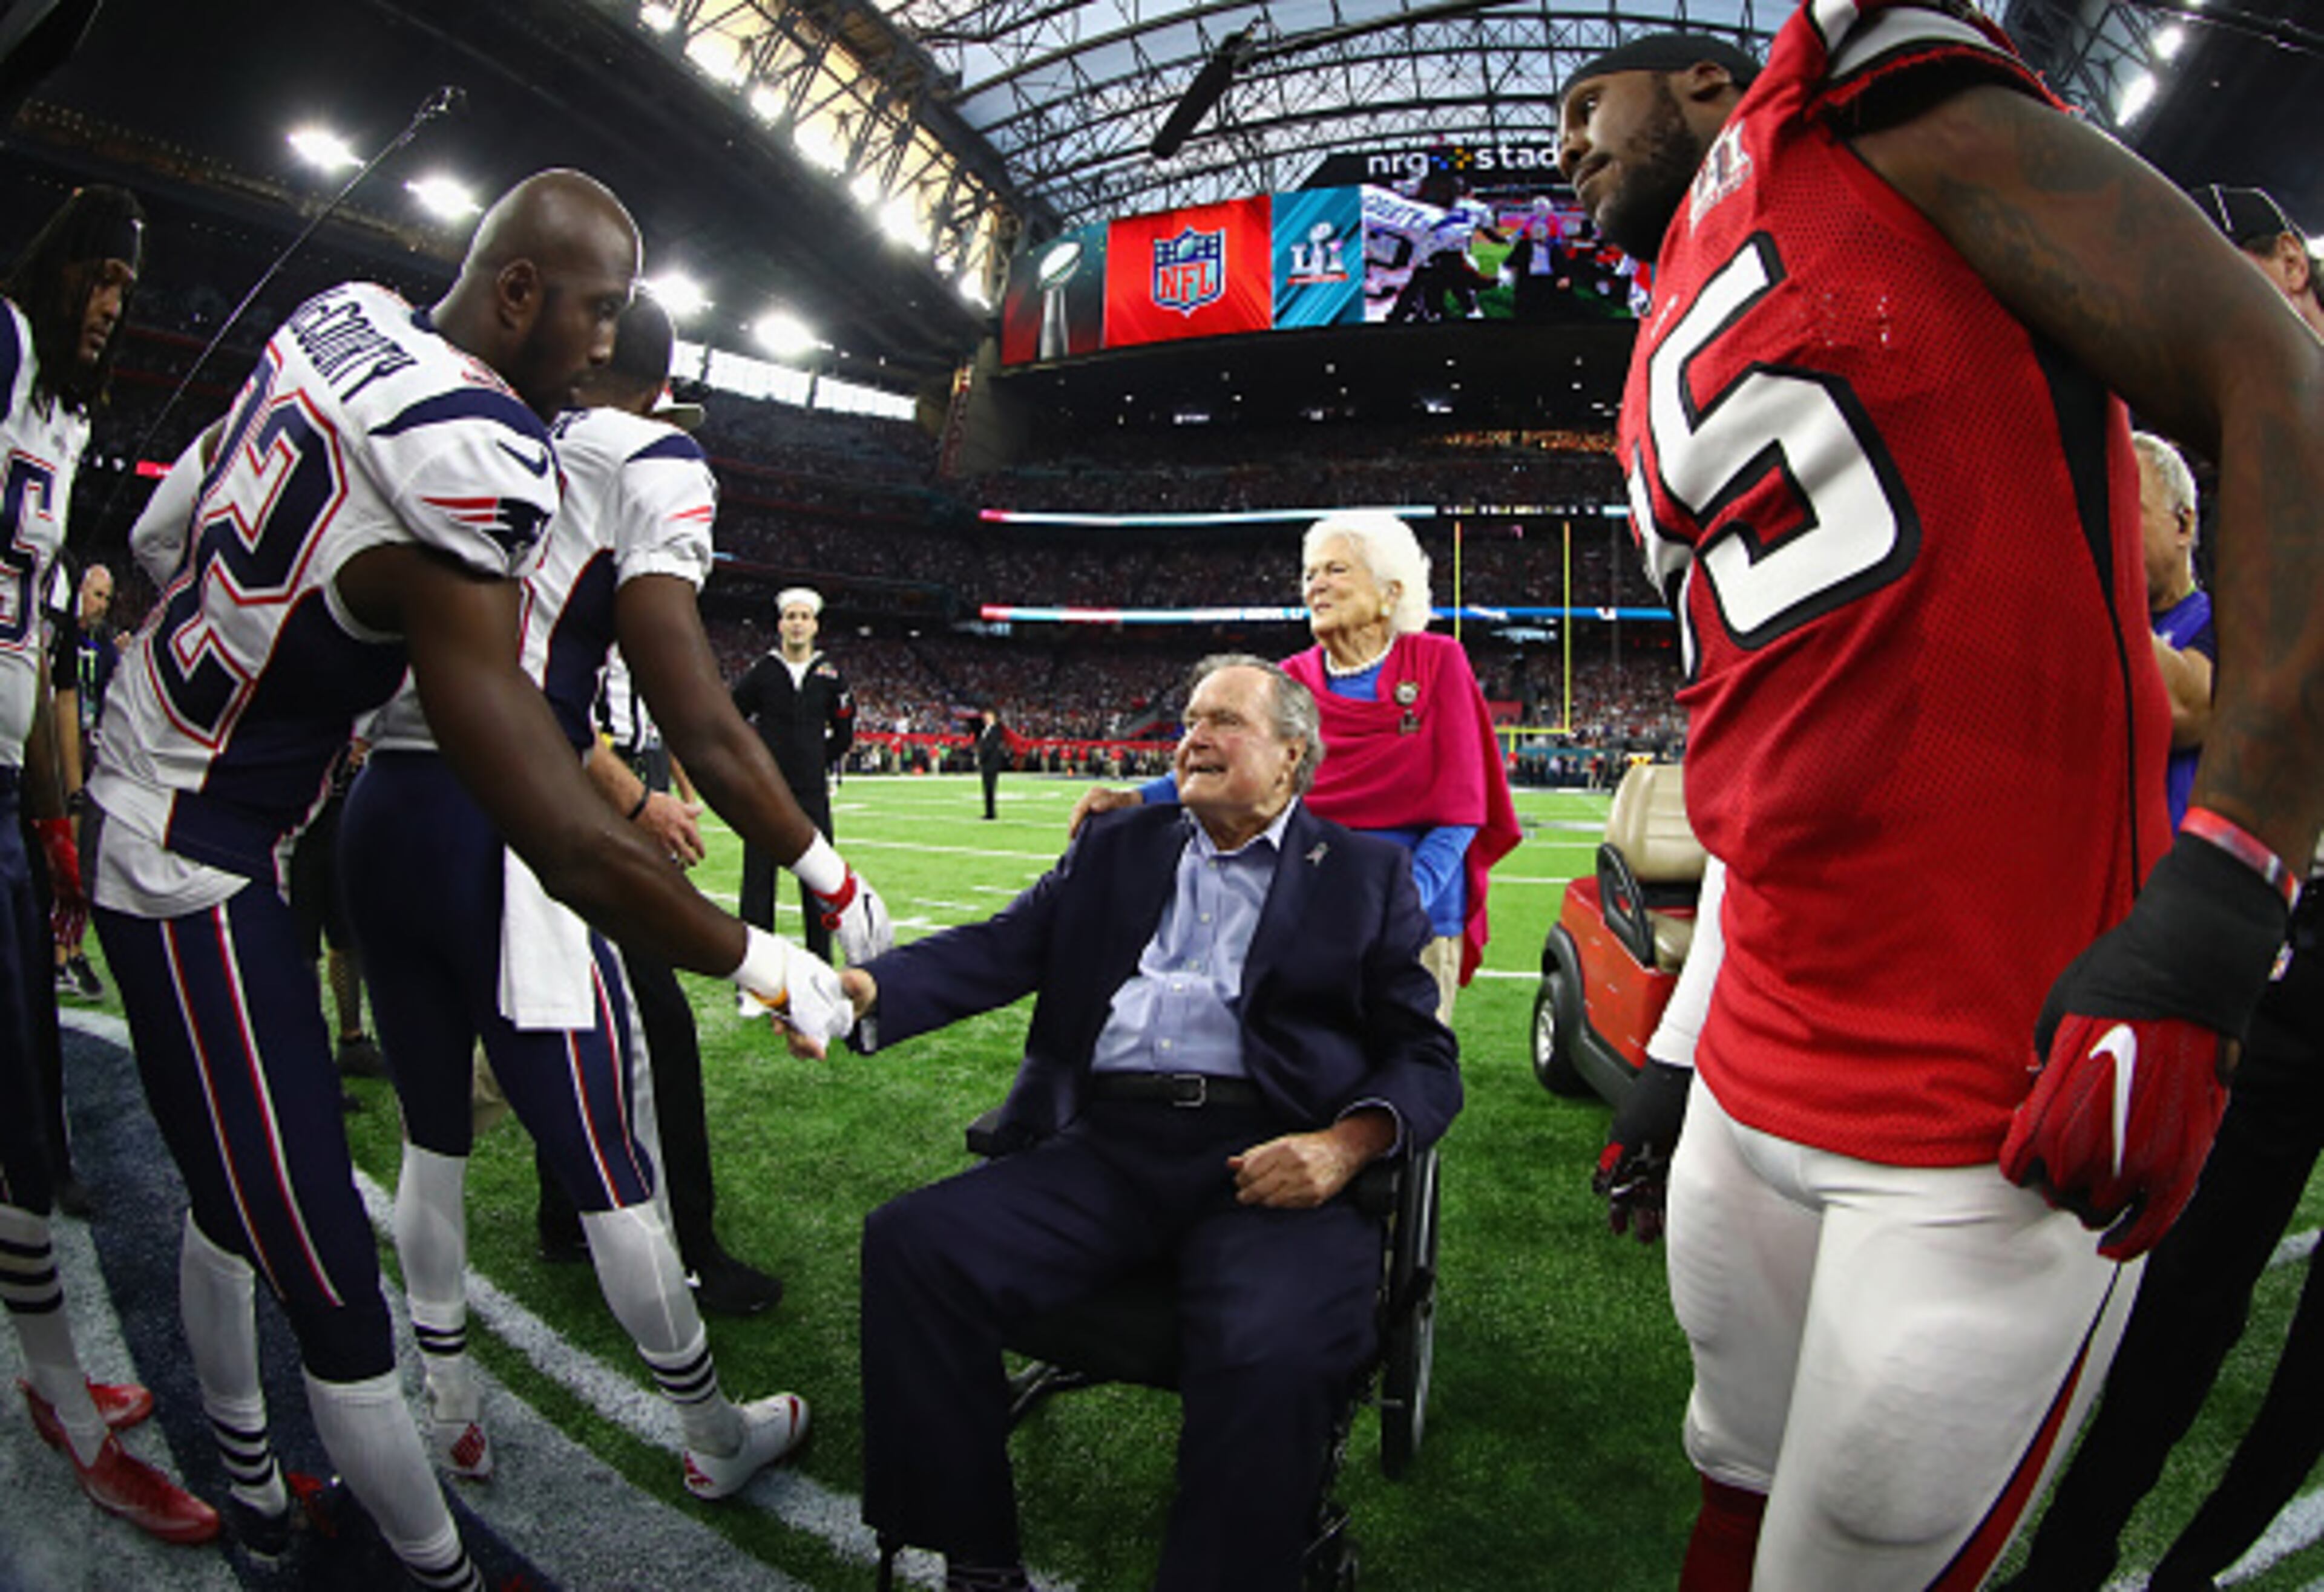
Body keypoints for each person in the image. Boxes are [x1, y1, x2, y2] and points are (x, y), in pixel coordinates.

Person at [1557, 13, 2323, 1587]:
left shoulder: (1854, 102)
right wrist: (1689, 1047)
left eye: (1590, 102)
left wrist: (2232, 879)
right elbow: (1772, 738)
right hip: (1762, 1034)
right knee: (1736, 1478)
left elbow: (2271, 374)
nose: (1564, 144)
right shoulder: (1657, 344)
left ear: (1706, 82)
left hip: (1987, 1077)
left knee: (1852, 1562)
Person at [90, 171, 846, 1585]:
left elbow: (157, 532)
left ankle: (269, 1482)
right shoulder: (487, 453)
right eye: (596, 312)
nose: (601, 348)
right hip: (205, 848)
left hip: (280, 796)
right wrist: (771, 953)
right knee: (340, 1254)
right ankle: (433, 1550)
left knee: (252, 1182)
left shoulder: (344, 311)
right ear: (520, 294)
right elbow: (561, 823)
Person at [345, 289, 889, 1480]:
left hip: (381, 804)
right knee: (610, 1158)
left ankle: (446, 1400)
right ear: (657, 376)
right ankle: (711, 1431)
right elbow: (692, 703)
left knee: (429, 1138)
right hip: (505, 811)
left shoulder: (470, 418)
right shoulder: (645, 448)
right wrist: (823, 868)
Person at [850, 655, 1461, 1592]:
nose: (1193, 735)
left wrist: (1345, 1146)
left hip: (1269, 1158)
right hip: (1110, 1146)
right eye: (1189, 718)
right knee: (912, 1245)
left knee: (1272, 1342)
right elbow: (1005, 946)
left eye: (1226, 721)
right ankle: (974, 1556)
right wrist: (869, 989)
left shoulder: (1362, 874)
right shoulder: (1119, 845)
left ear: (1292, 756)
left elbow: (1423, 1057)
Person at [1997, 190, 2324, 1592]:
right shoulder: (2254, 466)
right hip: (2285, 931)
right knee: (2189, 1280)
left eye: (2274, 285)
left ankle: (2194, 1559)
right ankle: (2073, 1550)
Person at [0, 185, 217, 1545]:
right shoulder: (11, 349)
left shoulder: (62, 420)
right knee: (21, 1133)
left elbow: (29, 651)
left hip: (5, 797)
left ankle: (48, 1380)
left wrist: (54, 812)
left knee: (27, 1126)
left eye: (127, 295)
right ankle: (67, 1411)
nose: (109, 306)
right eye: (100, 279)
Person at [1074, 510, 1520, 1022]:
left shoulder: (1439, 661)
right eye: (1310, 574)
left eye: (1336, 570)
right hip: (1310, 899)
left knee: (1399, 1074)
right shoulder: (1289, 680)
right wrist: (1134, 798)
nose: (1316, 586)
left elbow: (1464, 806)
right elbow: (1225, 763)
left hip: (1415, 911)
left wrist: (1405, 897)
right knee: (1305, 1066)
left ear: (1390, 592)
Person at [531, 647, 788, 1317]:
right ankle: (689, 1253)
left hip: (575, 787)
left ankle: (564, 1212)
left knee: (571, 1013)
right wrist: (639, 798)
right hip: (585, 792)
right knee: (656, 1031)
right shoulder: (608, 573)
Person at [732, 585, 855, 960]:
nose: (797, 624)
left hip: (812, 794)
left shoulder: (832, 676)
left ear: (815, 625)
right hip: (766, 792)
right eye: (791, 617)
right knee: (757, 884)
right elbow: (731, 720)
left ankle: (820, 966)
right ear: (780, 624)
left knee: (820, 881)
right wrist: (757, 763)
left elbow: (845, 733)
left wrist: (817, 760)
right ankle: (755, 974)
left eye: (804, 617)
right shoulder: (762, 672)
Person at [2135, 432, 2213, 831]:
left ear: (2183, 523)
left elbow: (2187, 711)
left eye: (2128, 510)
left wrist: (2102, 583)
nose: (2113, 531)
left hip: (2174, 881)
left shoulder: (2219, 625)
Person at [53, 559, 113, 998]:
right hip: (56, 759)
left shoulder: (104, 644)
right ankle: (57, 952)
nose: (101, 605)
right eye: (96, 594)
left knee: (82, 863)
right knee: (60, 861)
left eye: (107, 598)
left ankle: (71, 950)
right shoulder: (59, 632)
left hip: (90, 760)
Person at [974, 707, 1007, 820]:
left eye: (988, 716)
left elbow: (990, 747)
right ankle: (988, 812)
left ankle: (991, 813)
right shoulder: (986, 730)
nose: (985, 718)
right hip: (987, 762)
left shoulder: (995, 730)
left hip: (991, 762)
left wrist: (981, 757)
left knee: (990, 788)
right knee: (987, 788)